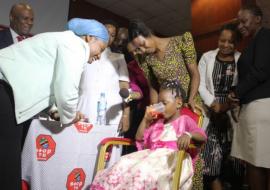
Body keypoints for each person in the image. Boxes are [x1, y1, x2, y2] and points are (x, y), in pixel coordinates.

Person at [0, 18, 108, 190]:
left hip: (7, 91)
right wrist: (69, 116)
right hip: (4, 92)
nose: (99, 56)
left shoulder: (62, 42)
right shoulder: (74, 44)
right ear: (89, 38)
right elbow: (66, 91)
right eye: (101, 49)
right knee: (7, 162)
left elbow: (44, 93)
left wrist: (58, 114)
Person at [128, 19, 205, 189]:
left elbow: (194, 73)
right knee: (162, 149)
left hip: (188, 104)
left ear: (147, 33)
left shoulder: (181, 41)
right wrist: (155, 110)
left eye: (141, 45)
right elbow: (153, 87)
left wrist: (191, 98)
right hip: (166, 106)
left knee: (189, 151)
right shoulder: (145, 58)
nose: (141, 50)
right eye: (137, 49)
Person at [90, 80, 207, 190]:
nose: (160, 107)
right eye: (159, 104)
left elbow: (201, 136)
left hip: (170, 162)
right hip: (151, 158)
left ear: (178, 103)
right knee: (122, 164)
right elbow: (139, 138)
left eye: (164, 103)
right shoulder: (157, 122)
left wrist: (189, 135)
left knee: (142, 171)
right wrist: (146, 120)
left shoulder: (184, 120)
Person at [228, 4, 270, 190]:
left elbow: (261, 70)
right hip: (255, 105)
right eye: (238, 22)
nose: (240, 26)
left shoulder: (265, 36)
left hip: (260, 105)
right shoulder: (254, 41)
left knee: (256, 162)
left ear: (258, 19)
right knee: (259, 161)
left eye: (244, 21)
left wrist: (237, 92)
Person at [198, 24, 245, 190]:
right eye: (222, 40)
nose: (225, 45)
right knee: (210, 165)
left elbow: (244, 85)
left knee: (235, 163)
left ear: (237, 43)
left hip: (234, 114)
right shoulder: (206, 57)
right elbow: (201, 85)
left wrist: (229, 104)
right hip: (212, 113)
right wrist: (214, 104)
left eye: (230, 42)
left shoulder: (242, 58)